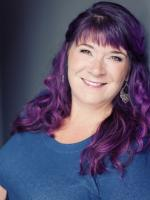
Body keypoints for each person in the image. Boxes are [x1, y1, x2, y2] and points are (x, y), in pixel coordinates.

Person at [0, 1, 150, 199]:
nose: (96, 70)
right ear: (68, 53)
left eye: (114, 57)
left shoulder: (130, 156)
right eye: (87, 51)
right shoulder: (39, 111)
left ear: (129, 70)